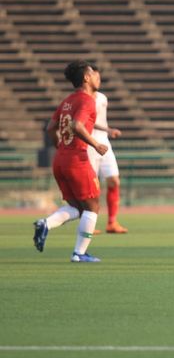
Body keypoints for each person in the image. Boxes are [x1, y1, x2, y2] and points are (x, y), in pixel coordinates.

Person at [33, 60, 108, 262]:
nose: (96, 76)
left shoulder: (67, 101)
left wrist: (60, 146)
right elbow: (77, 125)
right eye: (93, 73)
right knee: (92, 208)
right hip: (77, 159)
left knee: (77, 208)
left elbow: (50, 128)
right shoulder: (86, 100)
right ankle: (79, 253)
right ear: (86, 77)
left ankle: (45, 224)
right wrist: (95, 144)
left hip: (61, 160)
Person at [88, 83, 128, 234]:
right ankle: (90, 223)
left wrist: (106, 131)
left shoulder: (103, 97)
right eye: (94, 75)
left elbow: (99, 120)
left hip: (104, 142)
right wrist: (108, 129)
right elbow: (86, 122)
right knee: (92, 186)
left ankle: (112, 222)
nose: (97, 79)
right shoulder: (83, 99)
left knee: (114, 180)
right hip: (90, 144)